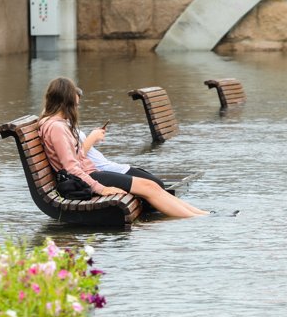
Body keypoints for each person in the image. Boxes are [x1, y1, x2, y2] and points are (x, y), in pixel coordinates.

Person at [36, 77, 209, 218]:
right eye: (75, 104)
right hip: (87, 179)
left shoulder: (55, 123)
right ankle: (198, 218)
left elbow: (76, 157)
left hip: (90, 174)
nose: (76, 109)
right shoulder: (57, 127)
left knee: (152, 186)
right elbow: (71, 168)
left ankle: (200, 214)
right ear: (66, 102)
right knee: (149, 187)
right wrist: (101, 188)